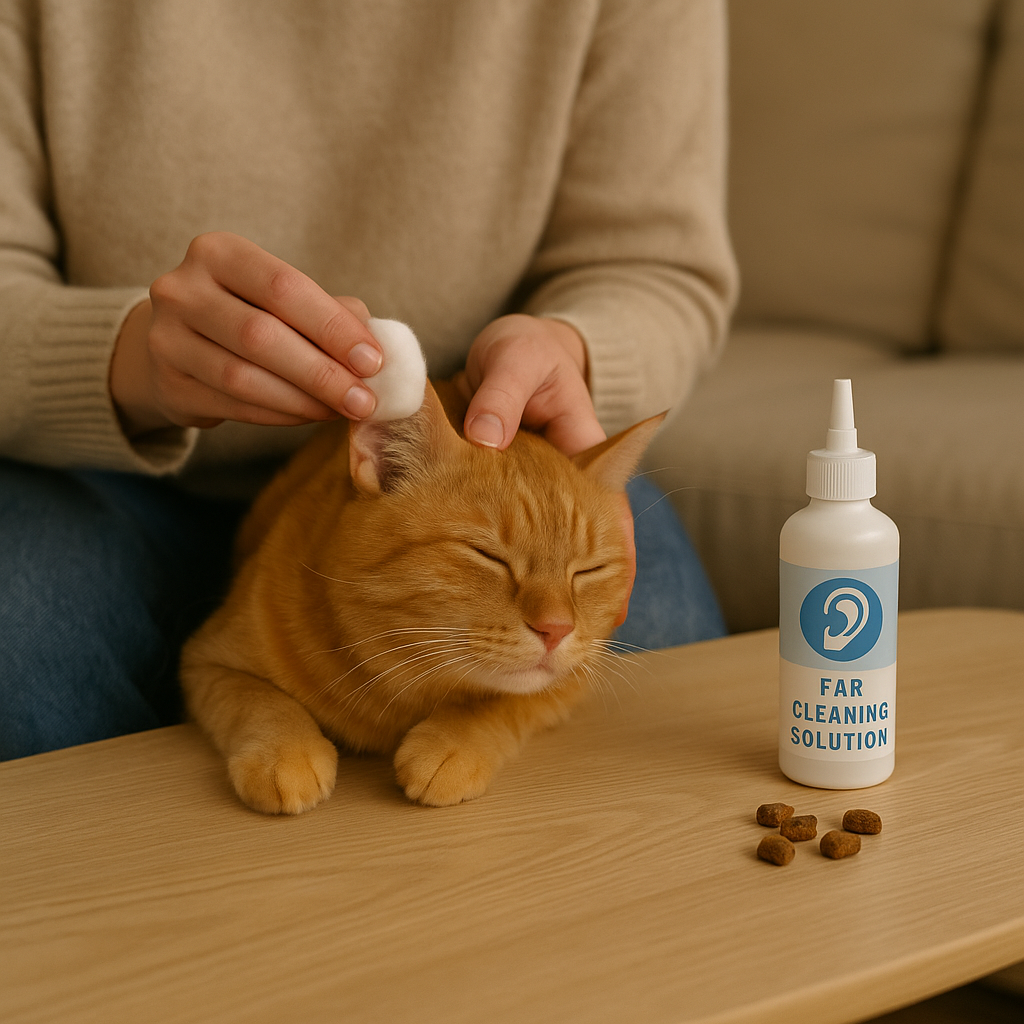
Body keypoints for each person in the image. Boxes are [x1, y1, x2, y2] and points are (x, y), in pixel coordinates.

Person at [0, 0, 737, 760]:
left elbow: (658, 266)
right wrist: (126, 358)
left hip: (498, 472)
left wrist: (573, 352)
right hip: (101, 460)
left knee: (667, 681)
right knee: (16, 628)